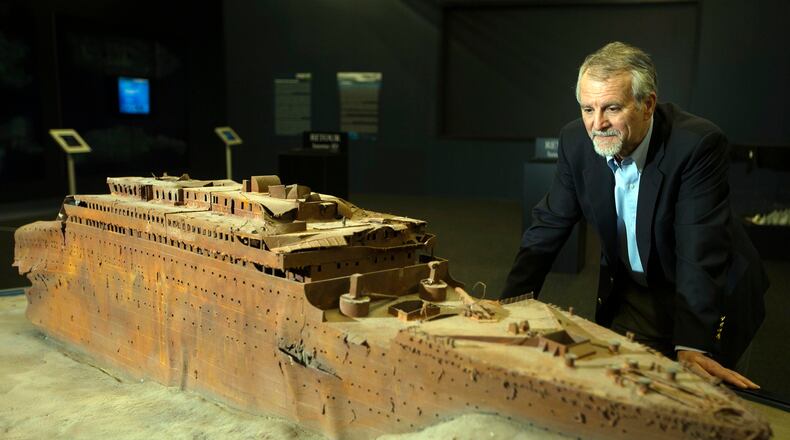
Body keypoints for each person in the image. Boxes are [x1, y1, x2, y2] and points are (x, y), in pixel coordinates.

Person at [502, 42, 768, 389]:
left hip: (708, 291)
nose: (597, 124)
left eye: (612, 108)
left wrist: (691, 345)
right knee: (625, 387)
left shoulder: (696, 145)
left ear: (648, 105)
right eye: (587, 109)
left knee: (697, 396)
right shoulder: (576, 141)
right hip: (635, 289)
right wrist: (508, 305)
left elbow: (699, 248)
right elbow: (549, 225)